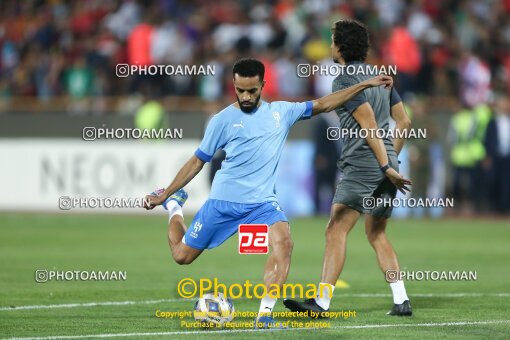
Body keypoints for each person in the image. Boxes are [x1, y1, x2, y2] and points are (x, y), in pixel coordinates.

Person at [143, 58, 392, 327]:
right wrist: (166, 193)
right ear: (234, 86)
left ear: (263, 84)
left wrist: (364, 84)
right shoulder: (222, 120)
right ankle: (175, 207)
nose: (246, 96)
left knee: (284, 242)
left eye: (251, 90)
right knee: (181, 256)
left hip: (262, 204)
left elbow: (324, 103)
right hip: (223, 202)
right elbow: (197, 161)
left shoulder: (281, 112)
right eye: (240, 90)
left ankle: (264, 315)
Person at [283, 19, 413, 317]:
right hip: (385, 165)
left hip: (363, 165)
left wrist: (383, 164)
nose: (330, 46)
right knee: (376, 233)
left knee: (335, 229)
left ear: (340, 47)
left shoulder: (344, 80)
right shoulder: (380, 77)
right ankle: (401, 299)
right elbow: (404, 122)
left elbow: (367, 124)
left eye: (332, 41)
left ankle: (322, 302)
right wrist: (392, 160)